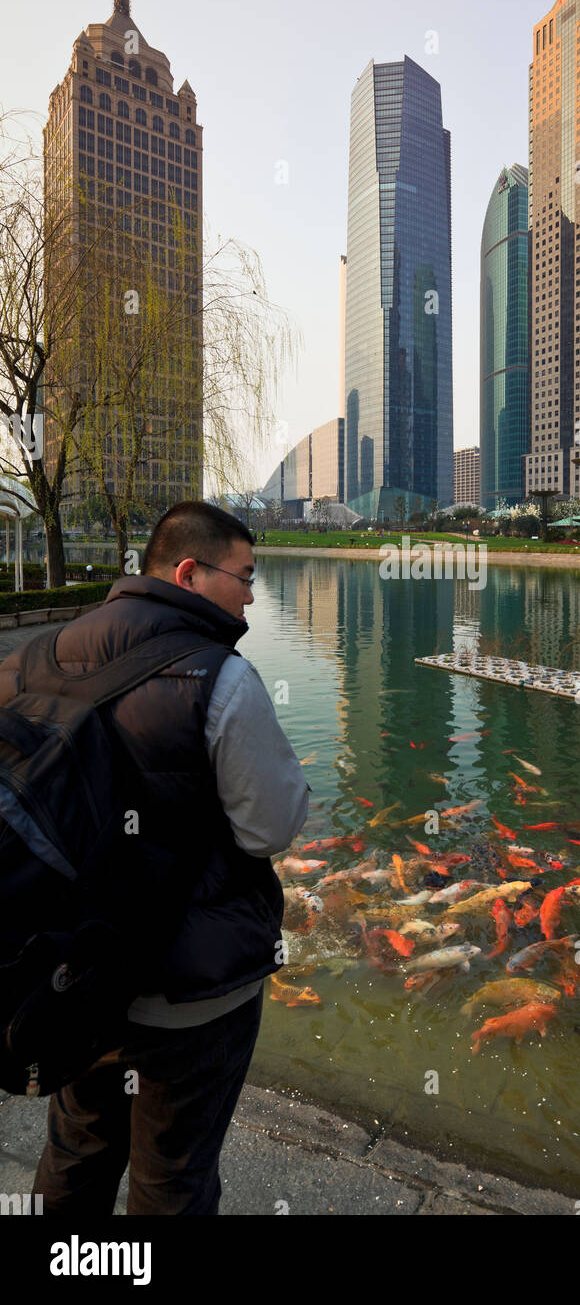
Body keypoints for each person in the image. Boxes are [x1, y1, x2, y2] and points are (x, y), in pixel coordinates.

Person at [0, 501, 309, 1215]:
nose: (253, 596)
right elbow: (271, 829)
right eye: (246, 576)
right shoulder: (221, 680)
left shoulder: (32, 656)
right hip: (187, 996)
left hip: (67, 978)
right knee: (172, 1179)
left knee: (76, 1153)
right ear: (190, 573)